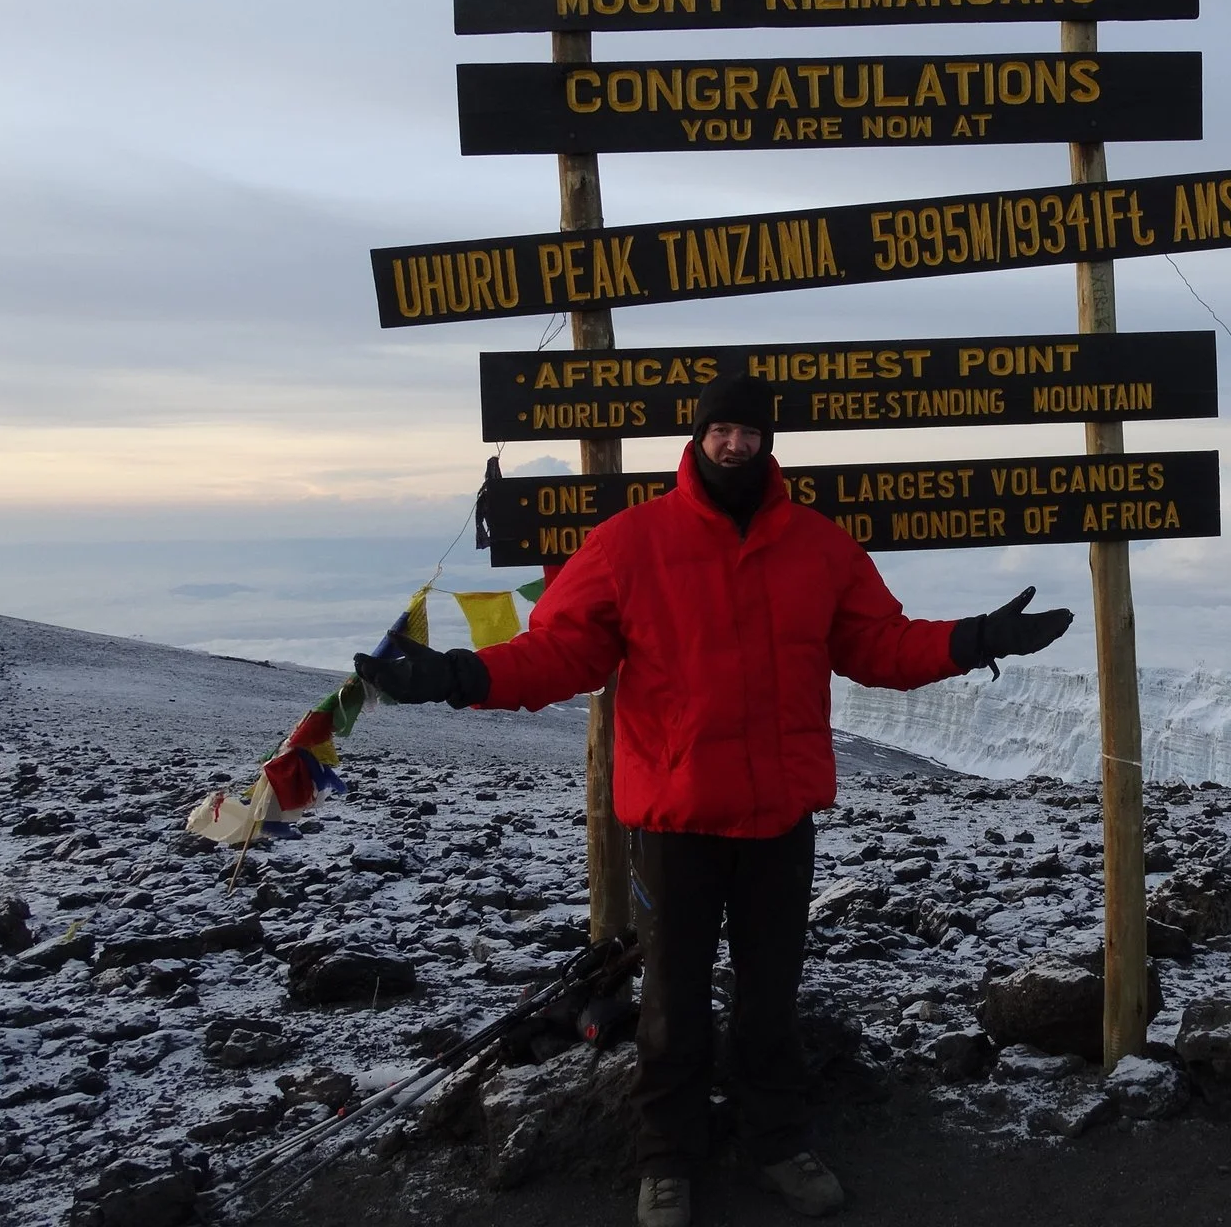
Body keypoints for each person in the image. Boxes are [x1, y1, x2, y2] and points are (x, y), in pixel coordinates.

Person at [358, 373, 1072, 1227]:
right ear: (697, 439)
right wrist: (457, 674)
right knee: (672, 999)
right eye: (721, 429)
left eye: (749, 431)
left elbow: (877, 645)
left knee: (773, 995)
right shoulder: (630, 544)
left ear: (770, 443)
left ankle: (777, 1143)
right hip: (675, 817)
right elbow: (559, 653)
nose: (735, 444)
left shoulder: (818, 546)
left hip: (779, 818)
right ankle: (667, 1158)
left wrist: (975, 640)